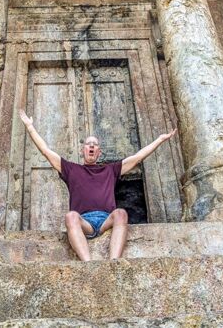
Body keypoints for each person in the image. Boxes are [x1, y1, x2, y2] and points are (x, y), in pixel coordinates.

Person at [18, 109, 177, 261]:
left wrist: (160, 139)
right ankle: (88, 264)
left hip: (106, 221)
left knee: (121, 213)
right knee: (70, 216)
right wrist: (30, 127)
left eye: (95, 144)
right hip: (84, 222)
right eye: (88, 144)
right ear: (83, 150)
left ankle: (113, 262)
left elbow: (137, 157)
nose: (92, 146)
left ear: (99, 152)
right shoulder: (71, 169)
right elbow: (46, 151)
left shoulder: (111, 170)